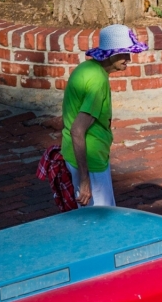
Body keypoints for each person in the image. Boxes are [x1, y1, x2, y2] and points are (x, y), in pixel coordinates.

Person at [61, 24, 147, 207]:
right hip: (90, 161)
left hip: (76, 155)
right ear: (110, 53)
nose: (129, 59)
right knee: (104, 222)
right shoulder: (98, 81)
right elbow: (78, 130)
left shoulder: (87, 68)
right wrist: (85, 180)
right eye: (124, 53)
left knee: (87, 220)